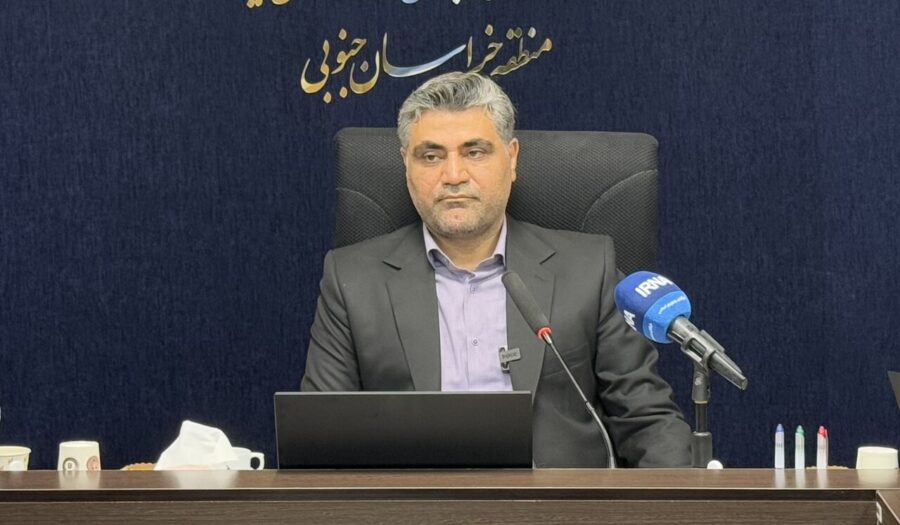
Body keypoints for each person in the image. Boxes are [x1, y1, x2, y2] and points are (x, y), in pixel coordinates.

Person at [301, 71, 692, 467]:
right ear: (406, 165)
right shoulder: (351, 280)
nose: (453, 176)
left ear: (512, 157)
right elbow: (322, 440)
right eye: (431, 156)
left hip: (556, 500)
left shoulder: (591, 270)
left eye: (474, 152)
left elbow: (650, 425)